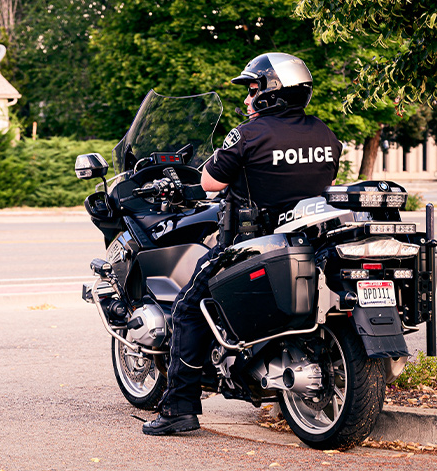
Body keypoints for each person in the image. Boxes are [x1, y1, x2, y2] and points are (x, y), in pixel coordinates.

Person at [142, 52, 343, 436]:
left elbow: (210, 184)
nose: (247, 100)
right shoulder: (325, 134)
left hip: (252, 243)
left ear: (272, 94)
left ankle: (178, 408)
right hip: (310, 241)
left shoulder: (248, 134)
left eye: (253, 91)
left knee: (188, 307)